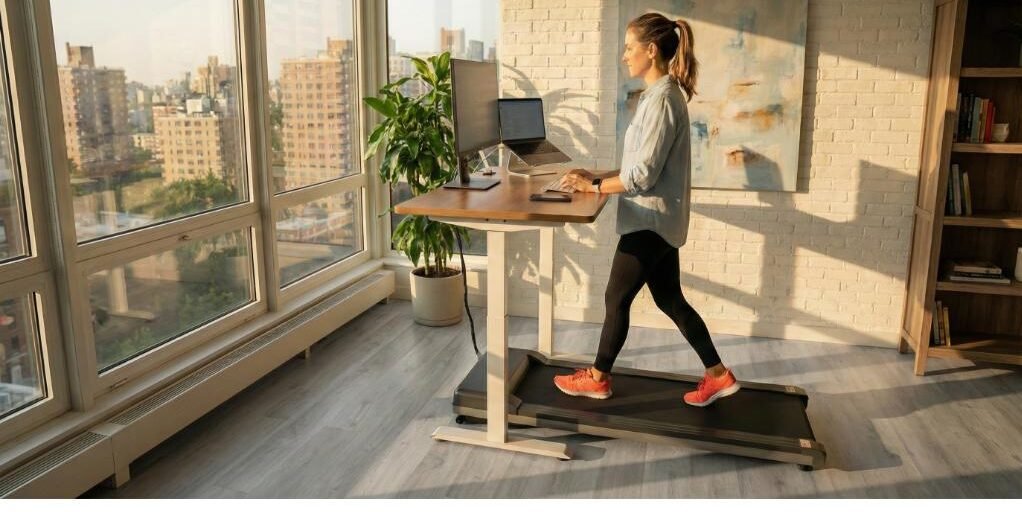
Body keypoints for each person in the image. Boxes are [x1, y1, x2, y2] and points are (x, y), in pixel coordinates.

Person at [552, 12, 739, 407]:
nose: (624, 56)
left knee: (615, 299)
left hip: (649, 223)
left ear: (650, 51)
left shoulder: (664, 100)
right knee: (670, 299)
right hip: (655, 218)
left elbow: (642, 176)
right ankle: (718, 375)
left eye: (628, 48)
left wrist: (596, 186)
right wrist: (597, 175)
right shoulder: (659, 97)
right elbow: (641, 164)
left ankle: (599, 378)